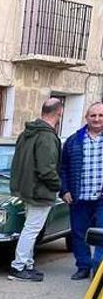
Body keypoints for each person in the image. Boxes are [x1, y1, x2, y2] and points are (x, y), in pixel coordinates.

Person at [7, 97, 64, 282]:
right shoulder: (47, 136)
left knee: (30, 228)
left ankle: (27, 263)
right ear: (59, 112)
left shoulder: (28, 132)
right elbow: (46, 169)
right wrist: (58, 186)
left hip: (26, 188)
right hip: (40, 191)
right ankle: (19, 266)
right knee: (32, 229)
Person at [59, 101, 103, 279]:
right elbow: (63, 168)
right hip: (79, 197)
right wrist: (65, 190)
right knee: (79, 234)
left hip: (101, 198)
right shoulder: (74, 141)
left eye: (101, 115)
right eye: (93, 115)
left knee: (101, 234)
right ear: (87, 118)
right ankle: (83, 266)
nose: (97, 119)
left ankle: (98, 268)